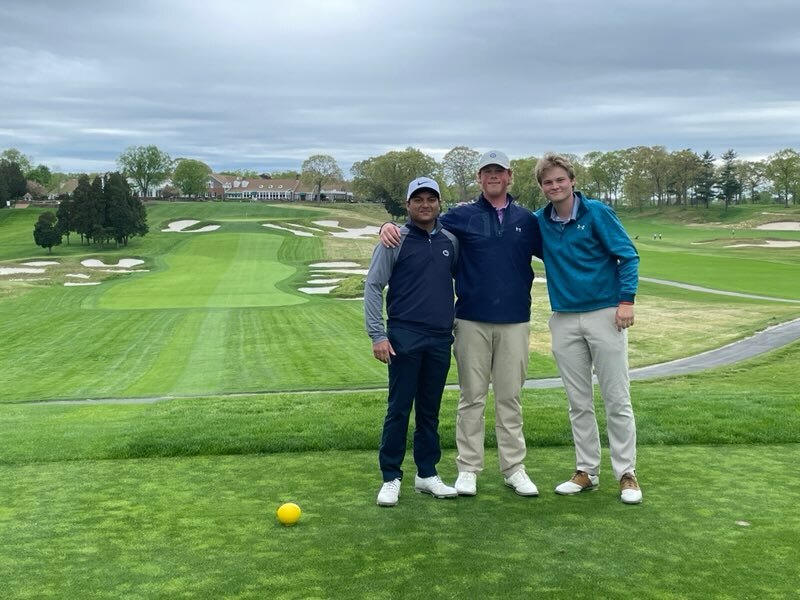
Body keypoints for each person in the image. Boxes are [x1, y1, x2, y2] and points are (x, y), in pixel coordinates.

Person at [380, 151, 542, 497]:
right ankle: (468, 468)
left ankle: (514, 468)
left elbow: (559, 249)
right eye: (487, 172)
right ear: (479, 177)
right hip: (469, 320)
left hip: (515, 320)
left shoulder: (527, 220)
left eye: (499, 171)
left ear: (509, 176)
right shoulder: (461, 217)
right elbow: (422, 225)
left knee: (510, 397)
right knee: (472, 397)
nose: (493, 177)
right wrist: (387, 225)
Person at [534, 152, 643, 504]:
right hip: (564, 318)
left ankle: (626, 473)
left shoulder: (597, 213)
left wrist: (626, 301)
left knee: (616, 398)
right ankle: (586, 471)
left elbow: (628, 255)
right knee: (578, 401)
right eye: (548, 182)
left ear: (572, 180)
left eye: (559, 179)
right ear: (541, 187)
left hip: (604, 314)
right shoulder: (540, 221)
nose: (555, 186)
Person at [365, 176, 459, 507]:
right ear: (407, 205)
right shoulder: (394, 240)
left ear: (438, 204)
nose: (424, 204)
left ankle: (427, 473)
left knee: (430, 411)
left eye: (430, 199)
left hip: (439, 338)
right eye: (417, 199)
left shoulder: (450, 239)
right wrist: (377, 334)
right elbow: (373, 286)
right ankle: (391, 476)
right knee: (400, 408)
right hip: (404, 335)